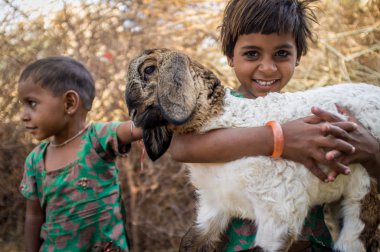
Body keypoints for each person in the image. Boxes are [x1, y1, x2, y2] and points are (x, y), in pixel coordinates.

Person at [169, 0, 380, 251]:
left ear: (298, 57)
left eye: (281, 54)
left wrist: (373, 153)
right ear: (230, 57)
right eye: (251, 54)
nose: (268, 68)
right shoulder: (219, 110)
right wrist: (280, 139)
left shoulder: (310, 112)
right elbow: (182, 147)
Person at [18, 56, 142, 252]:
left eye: (31, 103)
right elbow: (33, 216)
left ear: (69, 103)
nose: (23, 115)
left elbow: (136, 128)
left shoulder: (96, 139)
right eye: (22, 105)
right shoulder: (35, 161)